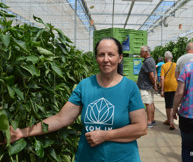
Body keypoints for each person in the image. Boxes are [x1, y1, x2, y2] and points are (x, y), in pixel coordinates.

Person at [4, 37, 147, 162]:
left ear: (120, 58)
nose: (106, 59)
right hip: (88, 158)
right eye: (101, 54)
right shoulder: (85, 86)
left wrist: (105, 135)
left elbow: (141, 128)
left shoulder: (129, 88)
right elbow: (61, 119)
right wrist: (22, 132)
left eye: (111, 54)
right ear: (96, 57)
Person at [137, 46, 158, 128]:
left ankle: (149, 121)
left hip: (146, 86)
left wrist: (154, 84)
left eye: (141, 51)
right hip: (148, 85)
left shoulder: (148, 61)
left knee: (148, 103)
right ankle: (152, 119)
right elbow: (154, 72)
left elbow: (152, 75)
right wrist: (154, 84)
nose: (140, 52)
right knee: (151, 102)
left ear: (146, 52)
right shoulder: (151, 60)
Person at [160, 51, 177, 130]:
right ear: (172, 57)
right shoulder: (176, 65)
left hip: (168, 87)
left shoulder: (164, 66)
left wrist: (162, 90)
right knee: (173, 105)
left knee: (168, 105)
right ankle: (172, 122)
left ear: (165, 58)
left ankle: (169, 121)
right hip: (175, 86)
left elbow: (162, 78)